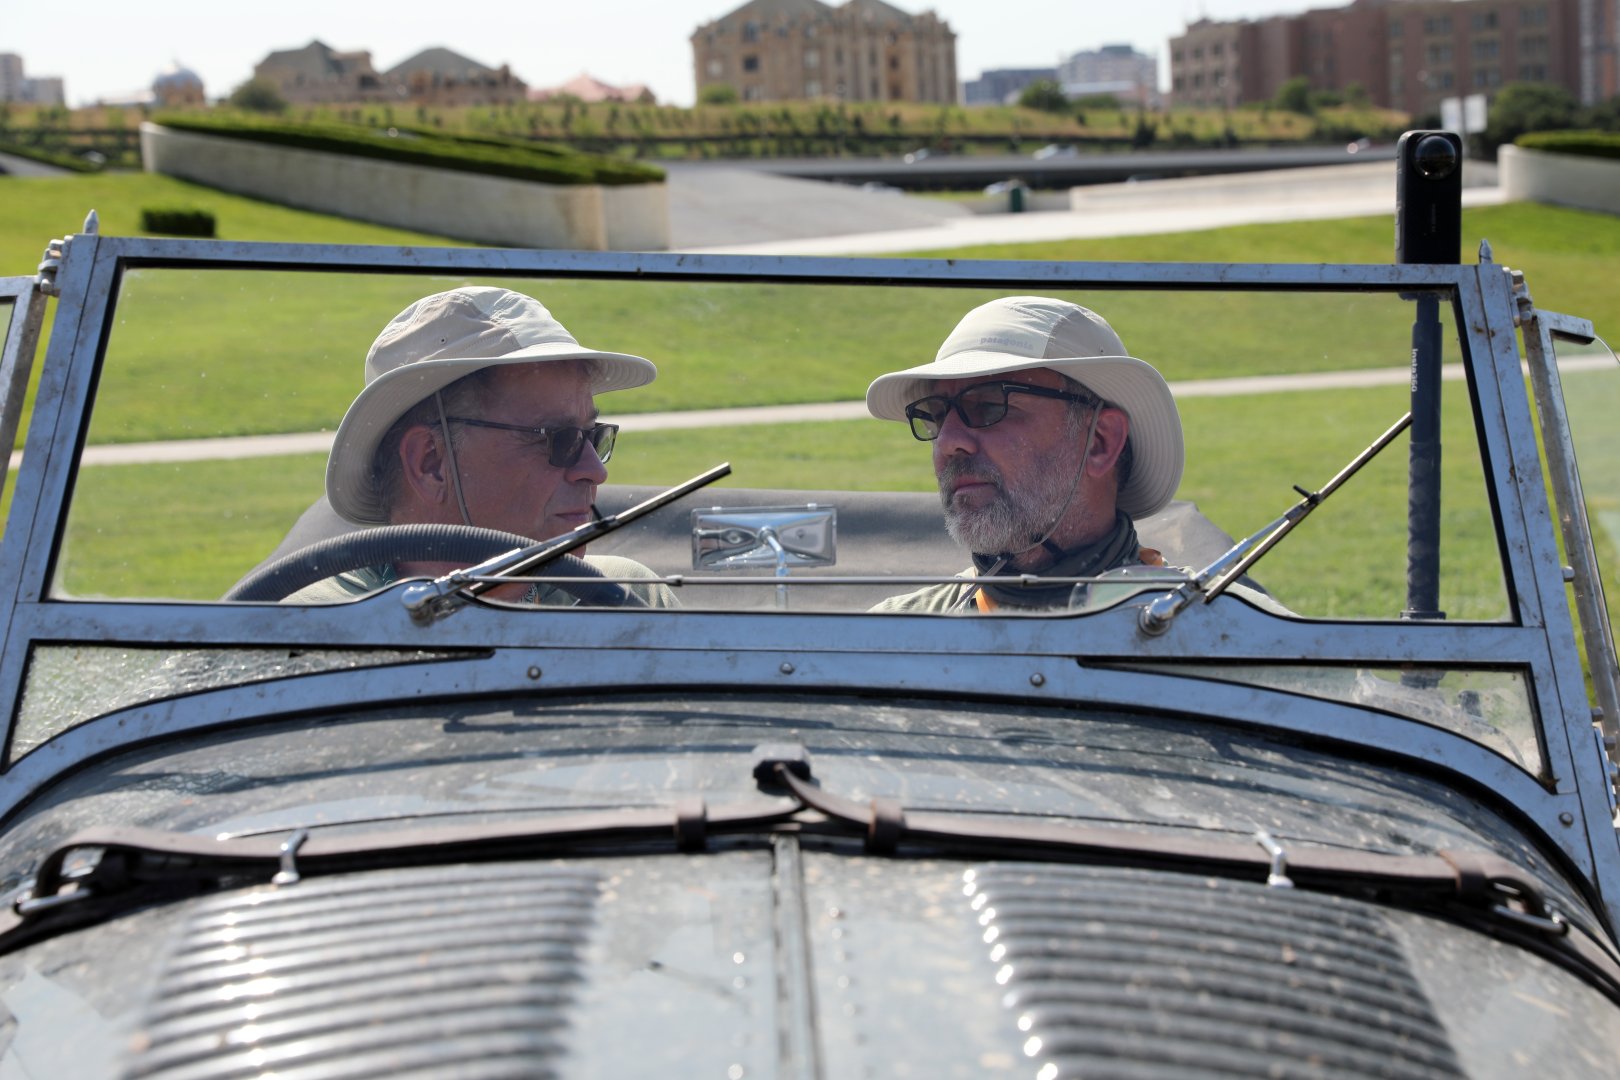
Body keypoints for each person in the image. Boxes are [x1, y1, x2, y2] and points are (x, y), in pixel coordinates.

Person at [289, 286, 675, 606]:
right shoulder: (318, 632)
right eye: (559, 439)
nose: (595, 470)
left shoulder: (625, 596)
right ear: (431, 463)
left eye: (593, 436)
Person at [865, 295, 1185, 613]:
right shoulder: (883, 641)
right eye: (934, 415)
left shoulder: (1214, 628)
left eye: (989, 406)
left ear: (1099, 441)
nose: (947, 442)